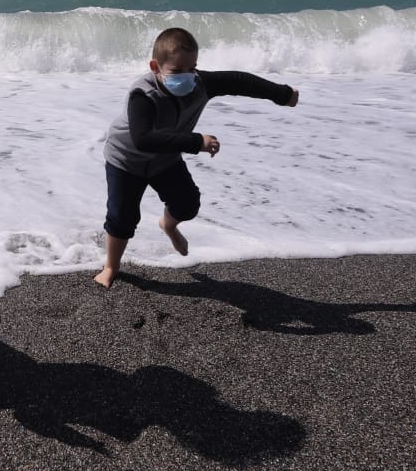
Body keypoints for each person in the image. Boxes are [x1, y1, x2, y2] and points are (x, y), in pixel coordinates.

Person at [93, 26, 299, 288]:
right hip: (126, 160)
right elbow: (142, 138)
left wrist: (281, 94)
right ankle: (111, 266)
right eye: (177, 71)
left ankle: (168, 225)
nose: (187, 76)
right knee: (123, 217)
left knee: (188, 204)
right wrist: (196, 141)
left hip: (164, 160)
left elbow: (239, 81)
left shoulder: (199, 84)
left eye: (192, 68)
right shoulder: (143, 95)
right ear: (155, 67)